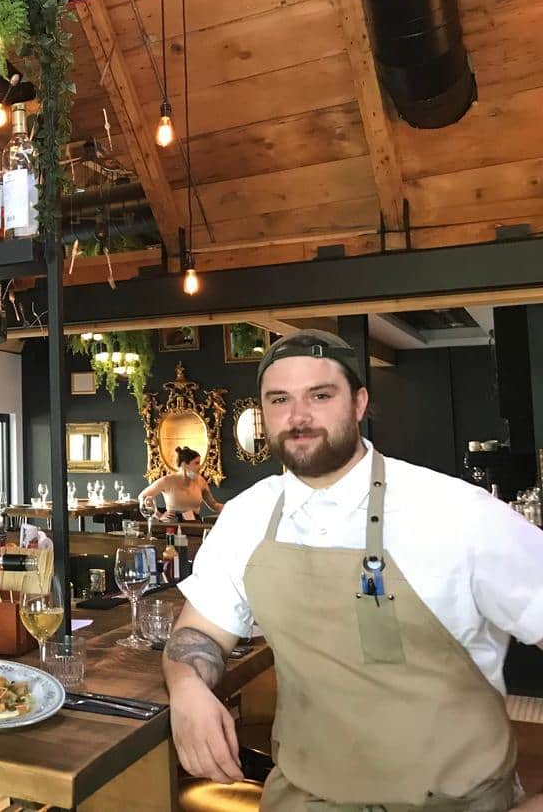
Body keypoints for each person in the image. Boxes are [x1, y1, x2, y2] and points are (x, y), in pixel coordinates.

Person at [162, 329, 543, 811]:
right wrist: (187, 687)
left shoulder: (457, 513)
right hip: (305, 799)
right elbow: (196, 633)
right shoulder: (247, 517)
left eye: (320, 396)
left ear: (359, 403)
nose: (298, 417)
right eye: (279, 400)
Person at [139, 446, 224, 522]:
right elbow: (142, 496)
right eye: (196, 463)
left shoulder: (201, 481)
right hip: (172, 526)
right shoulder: (167, 481)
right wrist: (158, 515)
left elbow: (214, 505)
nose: (200, 467)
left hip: (195, 525)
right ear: (184, 465)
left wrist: (232, 506)